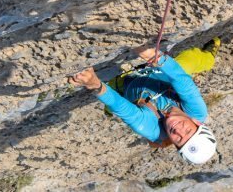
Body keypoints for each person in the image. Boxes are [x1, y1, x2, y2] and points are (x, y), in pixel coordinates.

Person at [68, 37, 220, 164]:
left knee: (111, 102)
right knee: (191, 62)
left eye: (179, 140)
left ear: (174, 144)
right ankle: (210, 55)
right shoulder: (198, 112)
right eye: (188, 130)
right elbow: (182, 81)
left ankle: (107, 108)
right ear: (197, 123)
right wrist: (154, 55)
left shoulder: (153, 130)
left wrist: (95, 85)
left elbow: (124, 109)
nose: (178, 130)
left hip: (125, 83)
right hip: (157, 72)